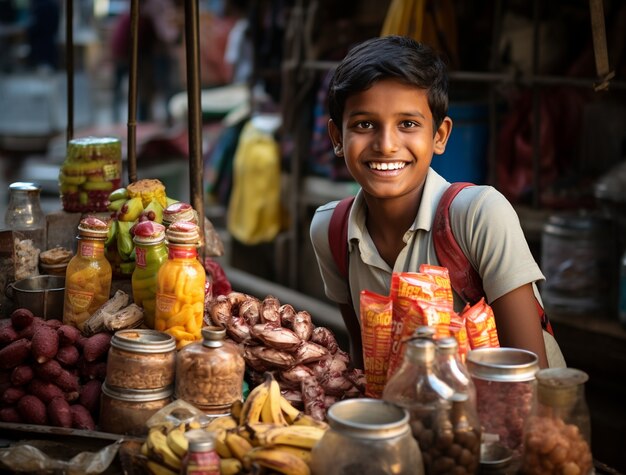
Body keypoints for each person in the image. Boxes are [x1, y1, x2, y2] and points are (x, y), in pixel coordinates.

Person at [310, 35, 565, 370]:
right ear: (337, 138)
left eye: (408, 124)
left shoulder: (479, 215)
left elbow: (527, 375)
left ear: (440, 135)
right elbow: (365, 363)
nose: (386, 144)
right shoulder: (331, 231)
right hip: (410, 414)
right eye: (365, 124)